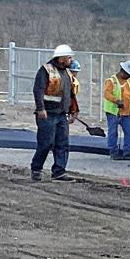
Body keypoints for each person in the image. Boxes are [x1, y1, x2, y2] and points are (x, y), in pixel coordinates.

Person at [30, 44, 79, 182]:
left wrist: (74, 109)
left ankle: (59, 171)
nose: (71, 60)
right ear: (62, 58)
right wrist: (40, 108)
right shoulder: (46, 70)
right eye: (69, 57)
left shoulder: (67, 73)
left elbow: (70, 94)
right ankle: (36, 168)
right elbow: (38, 90)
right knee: (45, 144)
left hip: (61, 114)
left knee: (62, 144)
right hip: (47, 114)